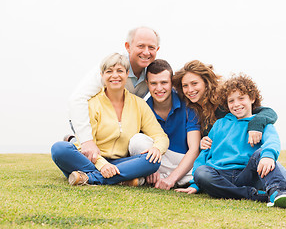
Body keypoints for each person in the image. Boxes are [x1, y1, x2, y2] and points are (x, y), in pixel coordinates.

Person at [175, 72, 286, 204]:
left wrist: (267, 156)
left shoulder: (259, 123)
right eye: (231, 101)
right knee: (202, 172)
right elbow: (204, 154)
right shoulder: (219, 125)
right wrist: (196, 184)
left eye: (241, 98)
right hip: (222, 174)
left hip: (252, 173)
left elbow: (272, 141)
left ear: (252, 99)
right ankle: (258, 196)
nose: (236, 104)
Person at [51, 53, 169, 186]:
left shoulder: (139, 104)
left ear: (127, 74)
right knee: (59, 148)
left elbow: (161, 136)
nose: (115, 75)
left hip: (122, 162)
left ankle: (88, 178)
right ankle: (122, 179)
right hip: (93, 160)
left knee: (152, 160)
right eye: (109, 71)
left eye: (120, 71)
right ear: (102, 75)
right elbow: (83, 144)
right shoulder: (93, 104)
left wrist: (157, 148)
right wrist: (102, 165)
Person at [67, 26, 160, 165]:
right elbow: (77, 100)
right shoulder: (112, 68)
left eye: (151, 47)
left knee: (138, 145)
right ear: (128, 47)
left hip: (121, 123)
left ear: (157, 50)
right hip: (90, 121)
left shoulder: (153, 73)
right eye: (141, 46)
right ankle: (77, 142)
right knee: (82, 152)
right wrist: (87, 141)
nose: (146, 52)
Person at [130, 59, 201, 190]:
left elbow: (194, 149)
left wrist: (171, 179)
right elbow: (141, 147)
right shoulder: (144, 108)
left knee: (201, 171)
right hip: (158, 160)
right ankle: (152, 174)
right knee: (136, 141)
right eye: (153, 83)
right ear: (147, 84)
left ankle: (162, 179)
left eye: (164, 82)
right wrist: (150, 168)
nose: (159, 88)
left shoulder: (188, 104)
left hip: (185, 163)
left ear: (172, 82)